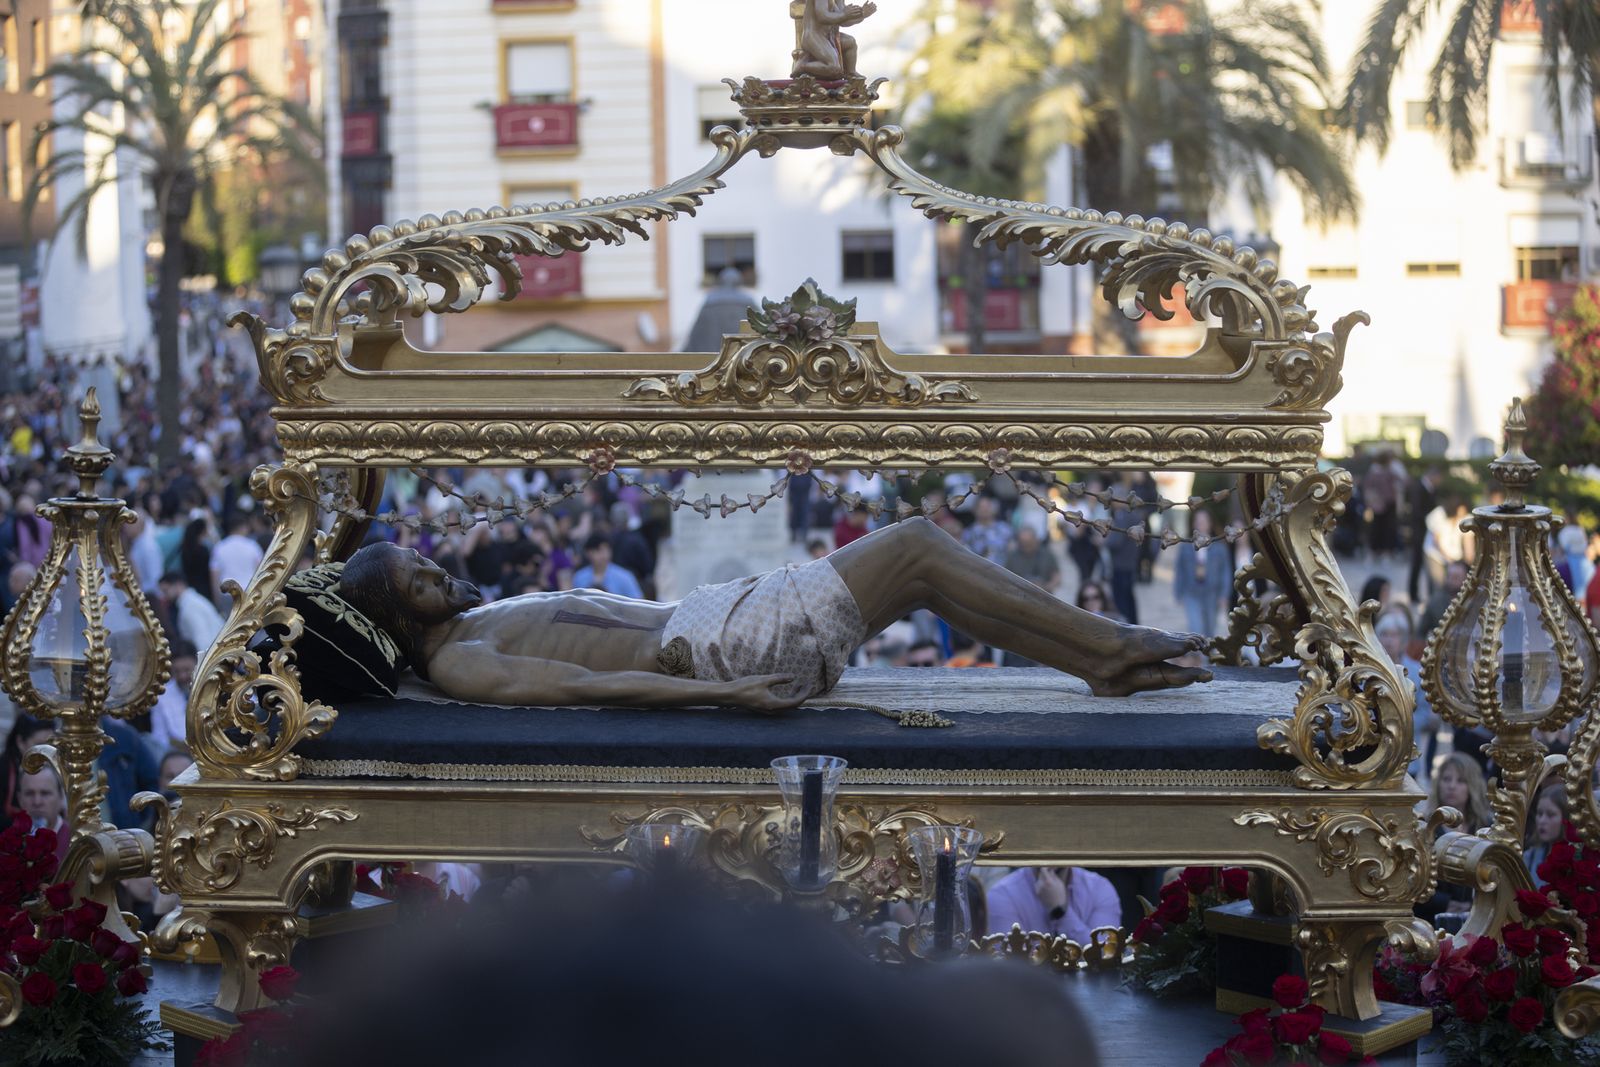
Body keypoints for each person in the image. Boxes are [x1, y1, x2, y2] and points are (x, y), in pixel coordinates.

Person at [335, 518, 1211, 711]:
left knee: (920, 580)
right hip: (714, 649)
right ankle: (1112, 643)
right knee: (913, 546)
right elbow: (576, 686)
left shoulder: (477, 621)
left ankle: (1098, 661)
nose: (439, 572)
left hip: (714, 619)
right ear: (396, 614)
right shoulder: (457, 661)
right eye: (418, 580)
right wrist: (728, 696)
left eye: (426, 563)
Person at [1416, 753, 1491, 923]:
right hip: (1432, 918)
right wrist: (1443, 903)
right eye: (1446, 779)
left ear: (1472, 785)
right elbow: (1413, 878)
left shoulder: (1486, 826)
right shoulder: (1424, 827)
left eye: (1460, 781)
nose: (1451, 786)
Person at [1375, 609, 1437, 783]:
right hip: (1375, 755)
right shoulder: (1368, 671)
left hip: (1408, 756)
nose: (1388, 640)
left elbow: (1427, 713)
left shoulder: (1417, 671)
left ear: (1402, 640)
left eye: (1393, 635)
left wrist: (1400, 724)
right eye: (1384, 634)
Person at [985, 866, 1121, 944]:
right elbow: (1009, 967)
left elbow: (1105, 957)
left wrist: (1061, 912)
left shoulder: (1100, 888)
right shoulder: (1002, 894)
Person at [1171, 512, 1231, 637]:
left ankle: (1207, 655)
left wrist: (1224, 595)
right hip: (1191, 592)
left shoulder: (1219, 548)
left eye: (1204, 521)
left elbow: (1225, 571)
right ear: (1194, 524)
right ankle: (1199, 656)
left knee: (1210, 630)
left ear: (1210, 524)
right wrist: (1178, 592)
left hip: (1211, 594)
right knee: (1195, 629)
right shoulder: (1186, 547)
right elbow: (1179, 570)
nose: (1201, 524)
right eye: (1198, 521)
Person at [1, 713, 53, 819]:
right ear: (20, 742)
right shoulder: (3, 771)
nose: (47, 752)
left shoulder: (56, 768)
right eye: (39, 745)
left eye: (50, 745)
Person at [149, 640, 198, 754]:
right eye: (177, 671)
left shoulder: (211, 685)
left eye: (187, 670)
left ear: (197, 664)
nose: (182, 676)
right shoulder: (161, 695)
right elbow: (159, 738)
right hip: (179, 755)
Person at [159, 571, 224, 653]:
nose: (164, 596)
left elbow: (202, 641)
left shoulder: (190, 606)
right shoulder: (192, 602)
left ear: (178, 585)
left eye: (165, 591)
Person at [210, 511, 264, 606]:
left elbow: (214, 575)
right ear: (244, 527)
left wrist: (217, 601)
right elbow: (260, 571)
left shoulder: (219, 547)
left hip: (226, 594)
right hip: (248, 592)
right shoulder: (253, 546)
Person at [17, 765, 68, 862]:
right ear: (20, 799)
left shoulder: (76, 843)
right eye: (29, 793)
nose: (37, 802)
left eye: (45, 793)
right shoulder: (9, 844)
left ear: (62, 797)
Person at [1406, 466, 1441, 602]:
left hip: (1427, 531)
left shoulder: (1430, 488)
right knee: (1417, 563)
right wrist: (1431, 519)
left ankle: (1428, 593)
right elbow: (1417, 511)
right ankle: (1413, 594)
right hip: (1419, 531)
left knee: (1426, 563)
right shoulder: (1418, 488)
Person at [1524, 785, 1570, 889]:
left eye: (1550, 815)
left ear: (1566, 818)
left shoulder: (1576, 860)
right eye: (1540, 814)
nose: (1542, 821)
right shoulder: (1529, 856)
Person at [572, 533, 644, 599]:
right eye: (599, 550)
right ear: (588, 553)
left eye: (607, 550)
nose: (604, 555)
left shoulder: (625, 577)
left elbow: (638, 603)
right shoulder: (579, 577)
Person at [1002, 523, 1060, 595]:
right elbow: (1005, 577)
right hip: (1018, 594)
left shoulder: (1047, 554)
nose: (1026, 546)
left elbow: (1056, 575)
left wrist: (1047, 587)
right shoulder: (1012, 556)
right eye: (1023, 543)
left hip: (1044, 595)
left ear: (1035, 540)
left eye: (1029, 543)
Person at [960, 497, 1011, 565]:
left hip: (1004, 571)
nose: (985, 509)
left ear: (994, 509)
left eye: (988, 506)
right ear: (974, 510)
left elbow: (1012, 550)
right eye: (981, 507)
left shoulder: (1005, 529)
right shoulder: (968, 533)